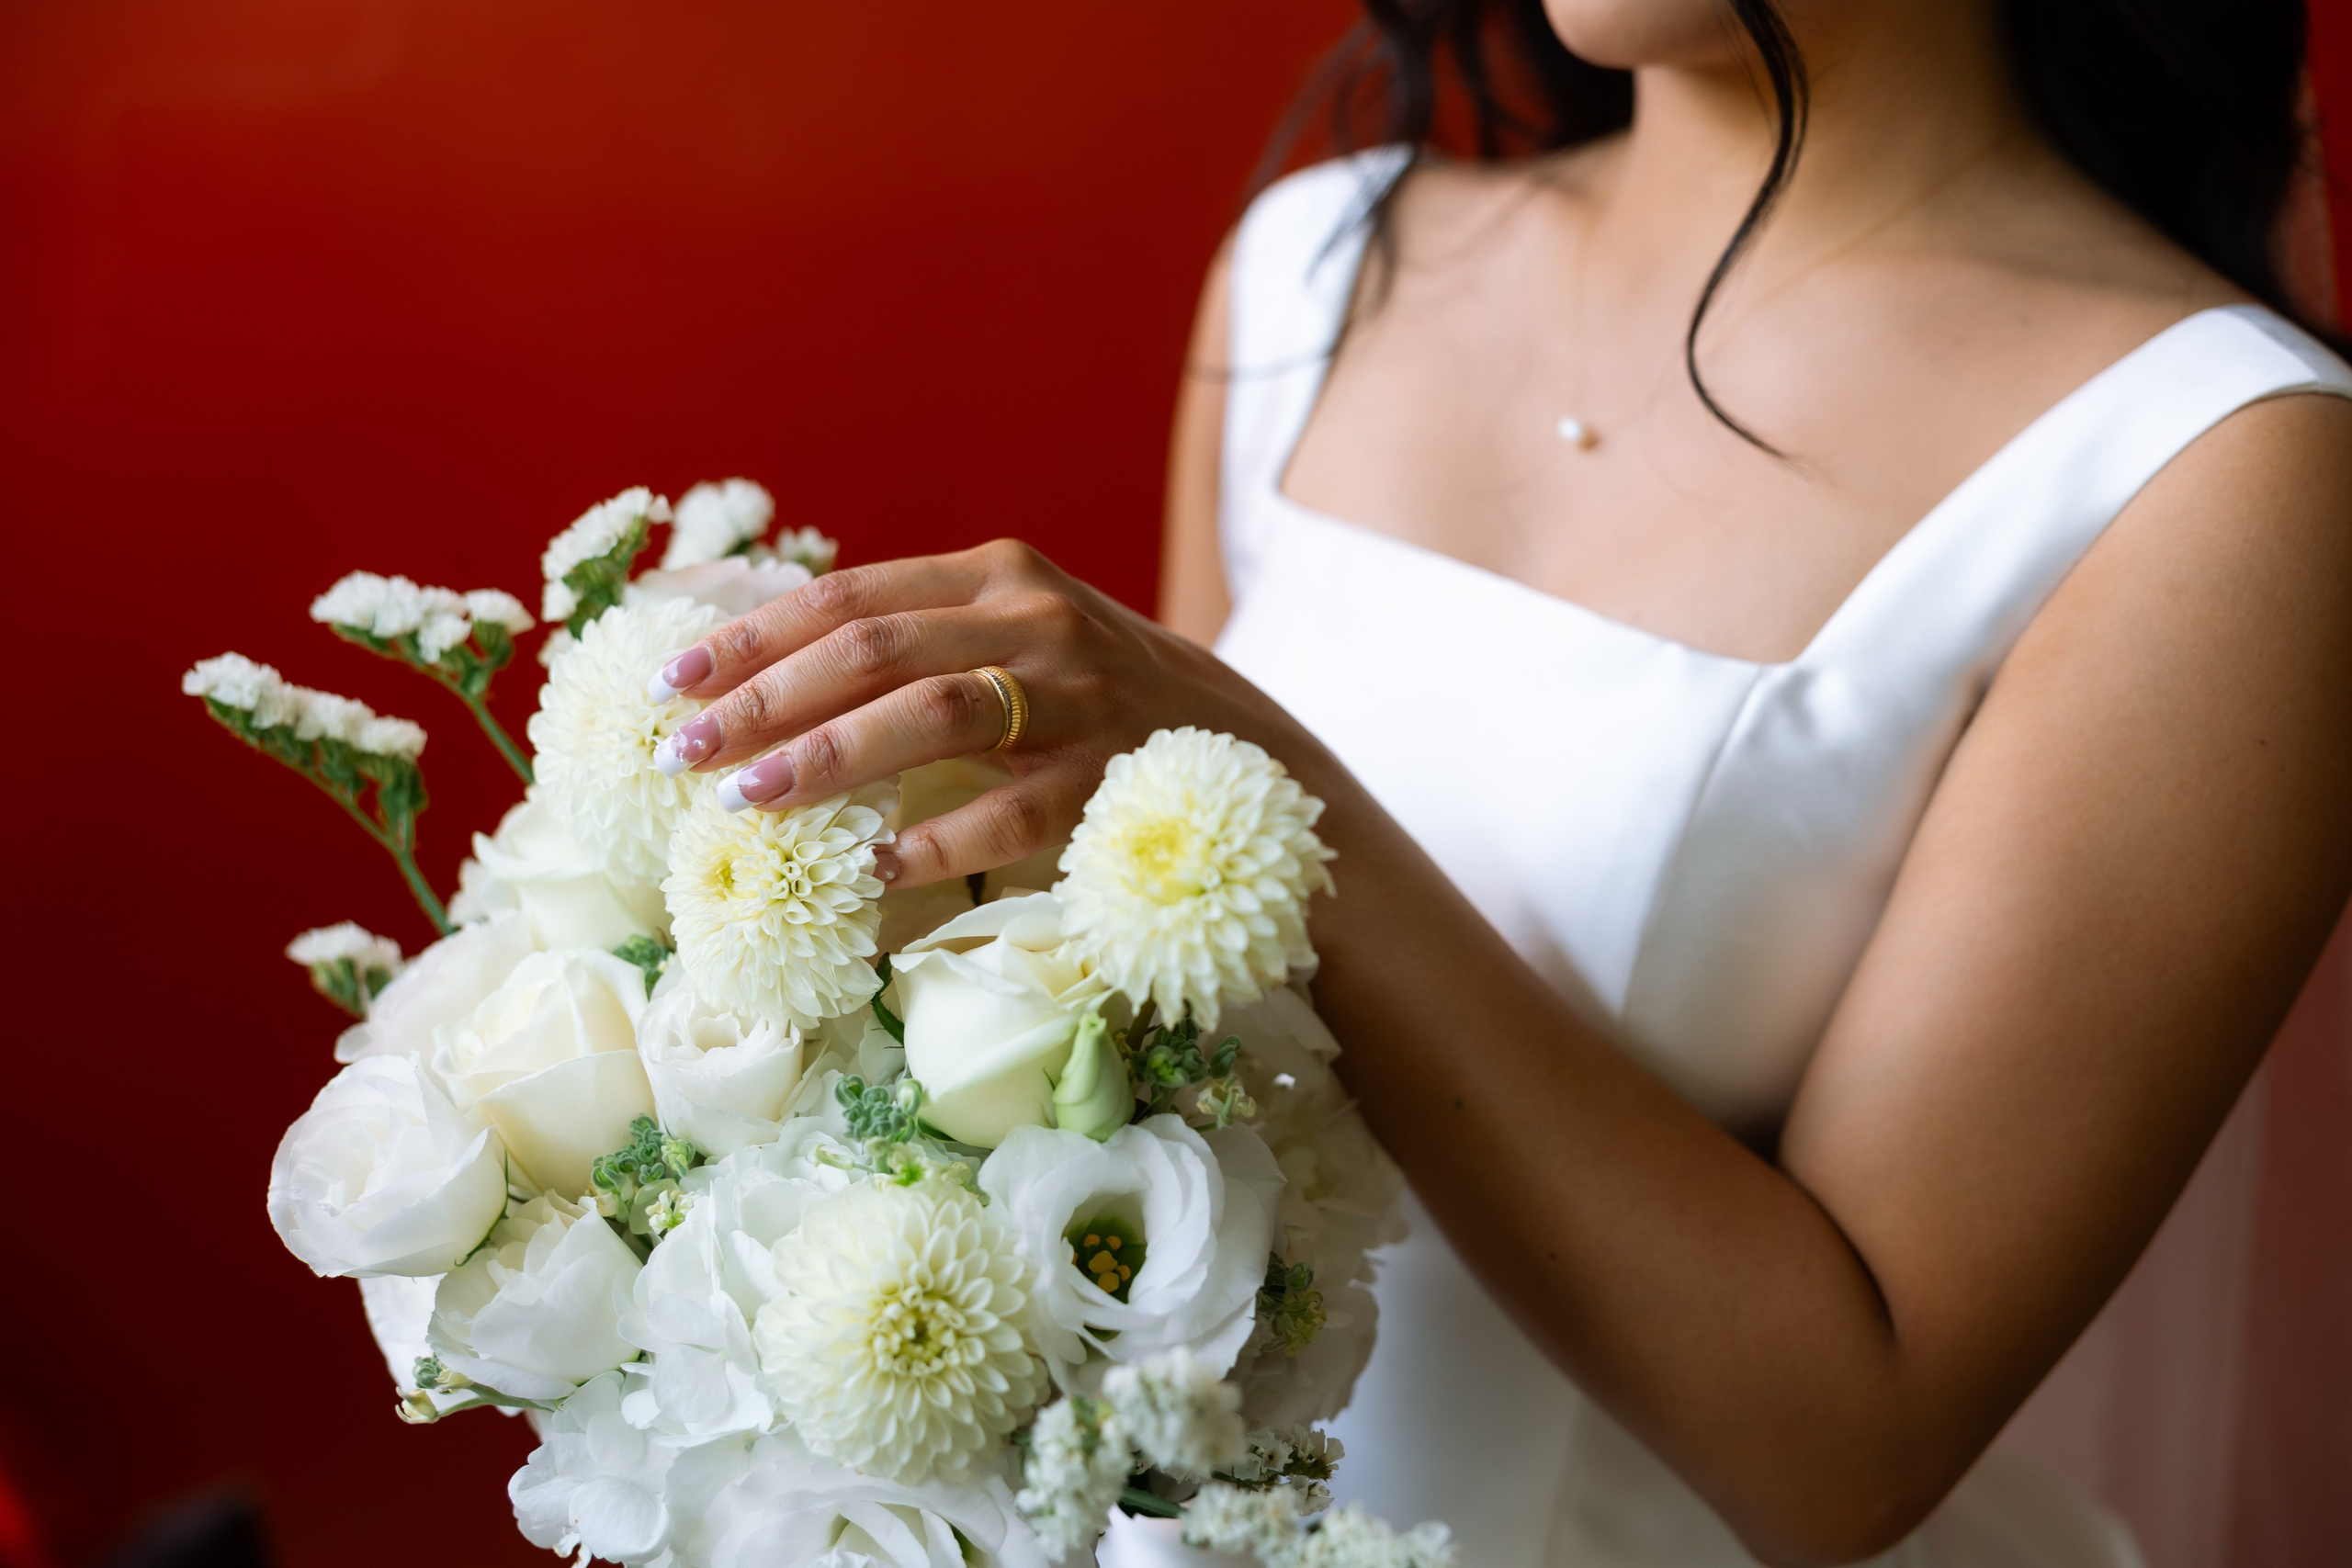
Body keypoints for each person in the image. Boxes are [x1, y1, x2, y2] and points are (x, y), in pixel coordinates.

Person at [640, 1, 2352, 1562]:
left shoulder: (2216, 468)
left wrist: (1271, 796)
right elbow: (1151, 1070)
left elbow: (1848, 1451)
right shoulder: (1321, 270)